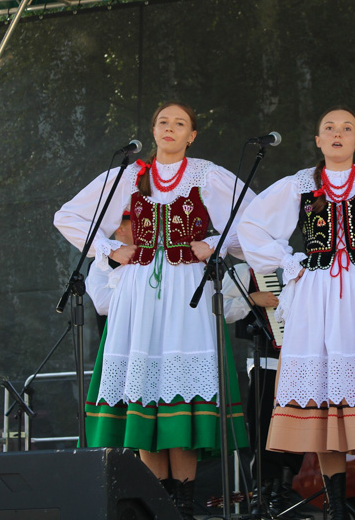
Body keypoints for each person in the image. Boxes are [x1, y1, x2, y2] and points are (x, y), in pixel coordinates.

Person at [54, 101, 251, 519]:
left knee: (181, 392)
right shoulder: (127, 176)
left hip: (186, 291)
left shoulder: (206, 175)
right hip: (140, 291)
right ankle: (157, 507)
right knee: (146, 393)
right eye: (163, 122)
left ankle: (182, 505)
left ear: (191, 135)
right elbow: (68, 216)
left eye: (180, 124)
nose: (170, 129)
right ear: (154, 129)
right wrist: (110, 249)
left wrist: (213, 244)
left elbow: (254, 218)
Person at [237, 107, 355, 520]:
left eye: (347, 128)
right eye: (329, 129)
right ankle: (337, 508)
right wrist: (290, 262)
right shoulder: (300, 185)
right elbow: (251, 226)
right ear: (318, 141)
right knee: (322, 398)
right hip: (316, 293)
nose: (338, 134)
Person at [222, 262, 311, 519]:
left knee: (297, 426)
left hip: (302, 358)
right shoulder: (243, 269)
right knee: (262, 428)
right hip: (266, 360)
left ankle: (281, 497)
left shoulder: (301, 262)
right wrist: (251, 299)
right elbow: (223, 311)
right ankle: (261, 500)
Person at [85, 212, 133, 336]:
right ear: (120, 229)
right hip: (118, 341)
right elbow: (103, 304)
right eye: (138, 224)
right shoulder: (101, 263)